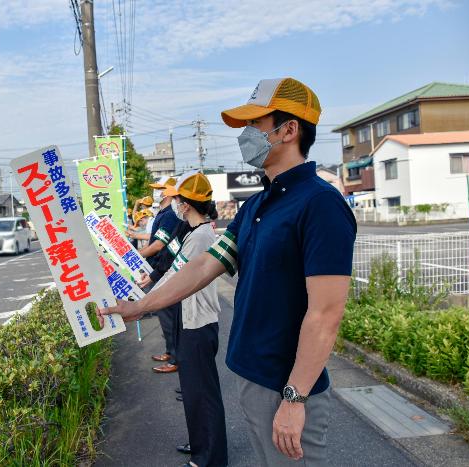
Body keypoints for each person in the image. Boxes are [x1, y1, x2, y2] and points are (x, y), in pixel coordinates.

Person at [100, 77, 357, 466]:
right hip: (251, 373)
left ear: (289, 129)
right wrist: (142, 305)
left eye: (255, 124)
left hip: (284, 383)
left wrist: (295, 397)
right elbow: (205, 264)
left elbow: (326, 312)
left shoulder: (321, 204)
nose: (246, 135)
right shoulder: (257, 205)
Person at [155, 171, 227, 467]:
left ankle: (210, 458)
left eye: (177, 199)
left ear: (186, 204)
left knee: (202, 393)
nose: (174, 204)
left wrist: (141, 300)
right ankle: (200, 445)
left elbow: (177, 276)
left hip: (198, 322)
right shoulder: (195, 232)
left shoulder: (199, 237)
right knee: (195, 391)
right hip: (192, 320)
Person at [137, 176, 184, 373]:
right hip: (159, 270)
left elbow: (159, 245)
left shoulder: (169, 216)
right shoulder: (163, 214)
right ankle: (170, 351)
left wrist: (134, 256)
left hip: (164, 271)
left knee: (168, 316)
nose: (157, 192)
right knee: (165, 316)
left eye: (160, 188)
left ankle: (175, 358)